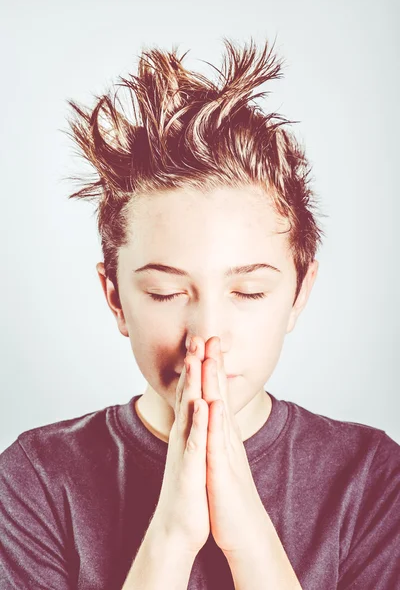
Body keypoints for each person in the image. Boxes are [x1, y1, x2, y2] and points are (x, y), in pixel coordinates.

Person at [1, 36, 399, 590]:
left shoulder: (373, 477)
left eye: (250, 292)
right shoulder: (34, 478)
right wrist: (172, 536)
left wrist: (249, 538)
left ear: (299, 292)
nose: (207, 336)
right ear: (115, 297)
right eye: (165, 293)